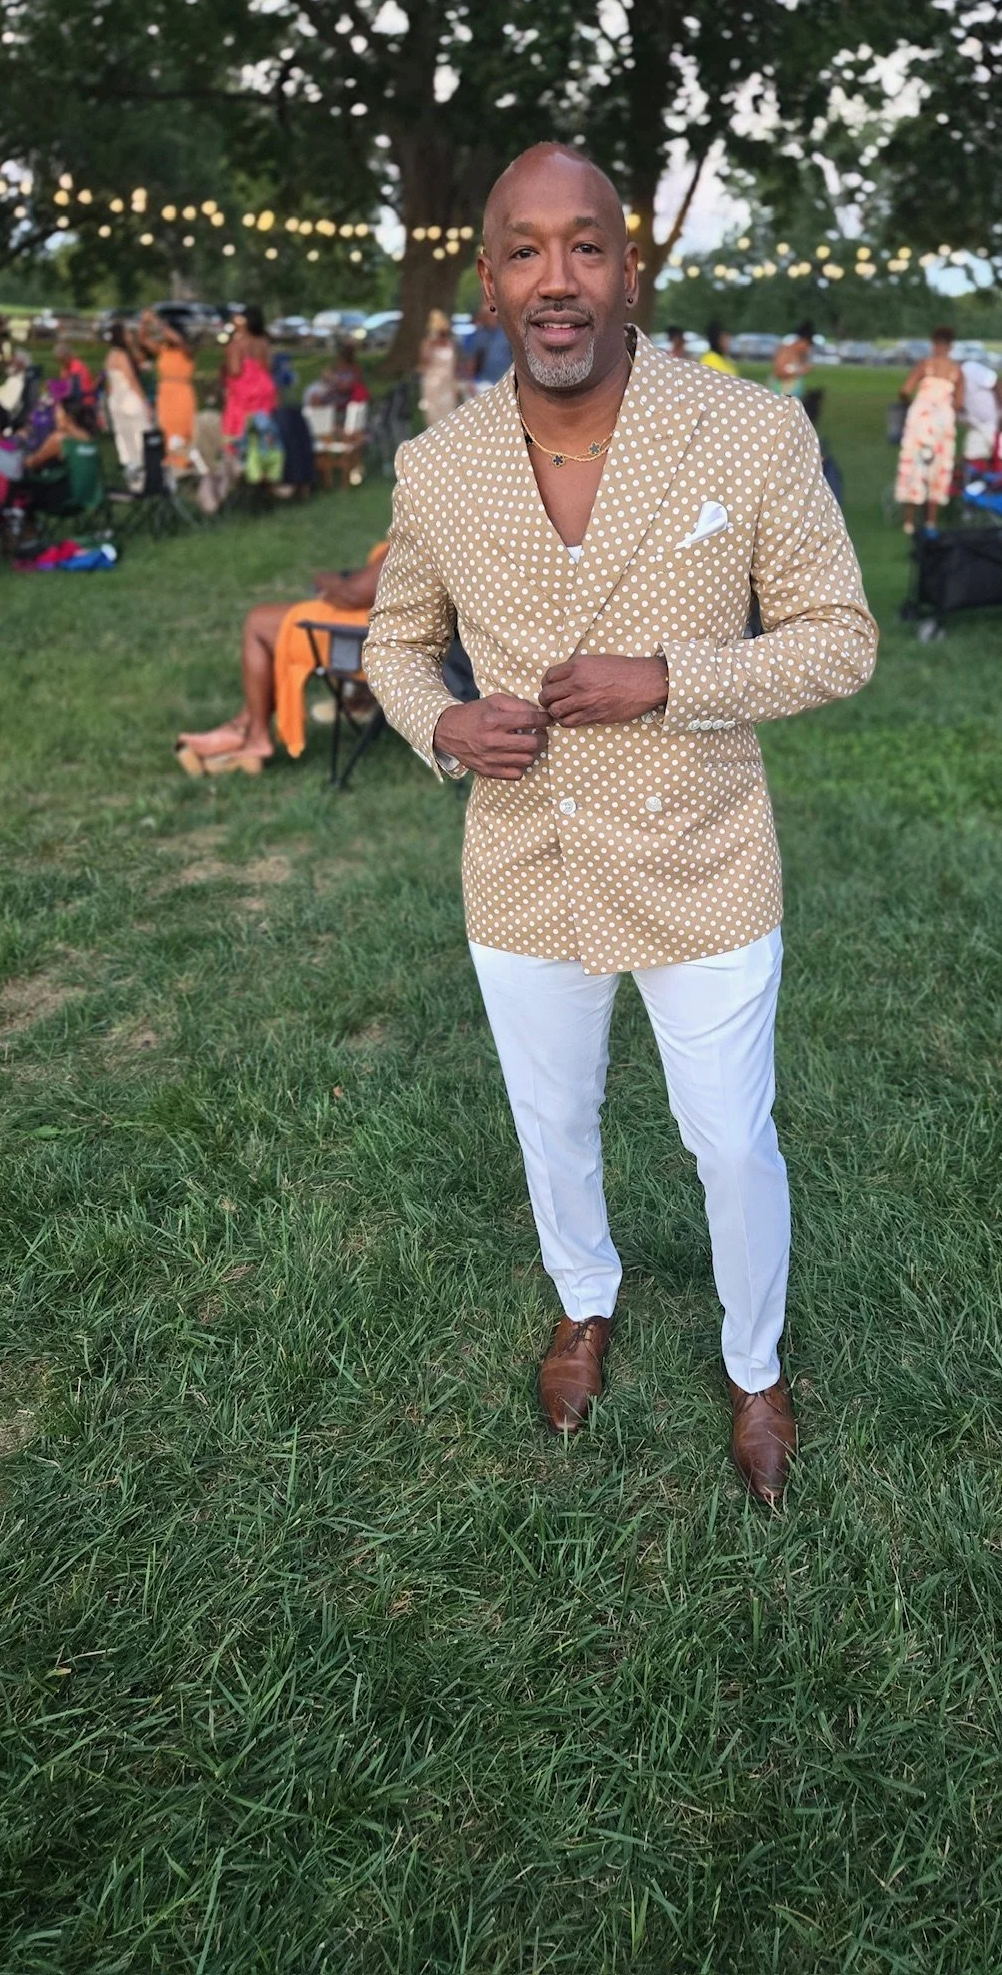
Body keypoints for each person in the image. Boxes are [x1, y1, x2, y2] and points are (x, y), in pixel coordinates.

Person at [363, 142, 877, 1504]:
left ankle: (755, 1364)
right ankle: (583, 1297)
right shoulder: (439, 466)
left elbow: (840, 641)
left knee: (728, 1136)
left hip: (703, 856)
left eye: (585, 245)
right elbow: (394, 647)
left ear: (628, 267)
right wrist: (438, 722)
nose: (559, 278)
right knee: (554, 1118)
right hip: (524, 861)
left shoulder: (750, 432)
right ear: (490, 285)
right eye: (526, 251)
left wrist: (671, 679)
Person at [175, 544, 391, 776]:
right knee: (278, 624)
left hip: (373, 644)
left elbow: (354, 594)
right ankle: (242, 727)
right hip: (406, 639)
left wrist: (328, 583)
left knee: (259, 623)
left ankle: (253, 738)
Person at [895, 325, 964, 532]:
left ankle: (908, 522)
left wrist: (911, 402)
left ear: (933, 344)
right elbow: (959, 403)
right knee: (939, 466)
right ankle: (930, 522)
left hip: (920, 421)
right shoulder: (956, 371)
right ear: (951, 346)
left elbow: (905, 390)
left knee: (914, 465)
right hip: (943, 421)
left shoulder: (925, 365)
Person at [20, 399, 104, 514]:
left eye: (58, 413)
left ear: (68, 417)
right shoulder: (88, 438)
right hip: (91, 496)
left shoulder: (59, 439)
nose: (54, 417)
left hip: (65, 500)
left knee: (20, 485)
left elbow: (34, 462)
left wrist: (23, 461)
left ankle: (26, 528)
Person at [142, 310, 197, 473]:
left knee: (182, 425)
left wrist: (157, 322)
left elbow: (177, 339)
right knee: (166, 425)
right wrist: (144, 323)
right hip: (165, 391)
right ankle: (170, 459)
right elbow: (144, 340)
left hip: (181, 390)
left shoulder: (186, 349)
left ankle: (183, 460)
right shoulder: (163, 349)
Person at [221, 305, 279, 449]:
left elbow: (235, 370)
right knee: (263, 426)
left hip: (244, 391)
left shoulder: (237, 344)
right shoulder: (264, 343)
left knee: (239, 428)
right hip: (265, 389)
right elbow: (269, 367)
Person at [103, 322, 153, 486]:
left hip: (116, 401)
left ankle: (132, 476)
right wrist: (145, 402)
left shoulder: (110, 356)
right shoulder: (121, 356)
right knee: (140, 435)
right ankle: (144, 475)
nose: (130, 337)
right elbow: (131, 380)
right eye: (128, 334)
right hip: (129, 400)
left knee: (124, 438)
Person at [959, 354, 1002, 467]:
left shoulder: (969, 369)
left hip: (998, 418)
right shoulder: (947, 385)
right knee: (970, 459)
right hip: (976, 424)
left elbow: (996, 382)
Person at [418, 309, 461, 424]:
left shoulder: (451, 344)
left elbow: (453, 366)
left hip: (447, 384)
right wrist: (430, 345)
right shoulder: (428, 344)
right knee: (433, 416)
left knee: (449, 415)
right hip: (433, 384)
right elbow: (423, 364)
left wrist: (455, 384)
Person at [463, 300, 513, 392]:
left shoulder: (507, 333)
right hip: (484, 382)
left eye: (491, 315)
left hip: (506, 382)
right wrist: (469, 381)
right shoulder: (479, 335)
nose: (489, 319)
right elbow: (472, 360)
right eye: (486, 316)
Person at [770, 321, 814, 397]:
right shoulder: (786, 352)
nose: (807, 349)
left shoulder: (800, 355)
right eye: (807, 346)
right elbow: (779, 372)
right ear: (802, 342)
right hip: (782, 394)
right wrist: (800, 371)